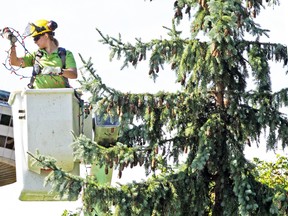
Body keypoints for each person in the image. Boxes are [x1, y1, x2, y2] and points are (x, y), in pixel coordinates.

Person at [8, 19, 77, 89]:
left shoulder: (65, 54)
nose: (35, 42)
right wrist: (12, 44)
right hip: (38, 96)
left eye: (36, 38)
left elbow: (73, 74)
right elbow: (14, 62)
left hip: (61, 96)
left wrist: (56, 70)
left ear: (46, 35)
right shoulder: (36, 55)